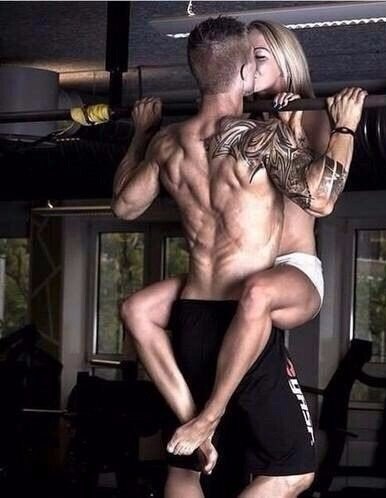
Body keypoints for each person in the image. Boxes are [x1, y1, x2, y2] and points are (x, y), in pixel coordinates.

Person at [112, 16, 365, 498]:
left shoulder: (171, 142)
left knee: (186, 469)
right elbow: (321, 198)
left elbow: (124, 206)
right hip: (239, 307)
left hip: (222, 302)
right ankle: (205, 418)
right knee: (291, 471)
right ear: (246, 72)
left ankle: (199, 420)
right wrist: (345, 127)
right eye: (254, 57)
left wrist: (142, 135)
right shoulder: (260, 136)